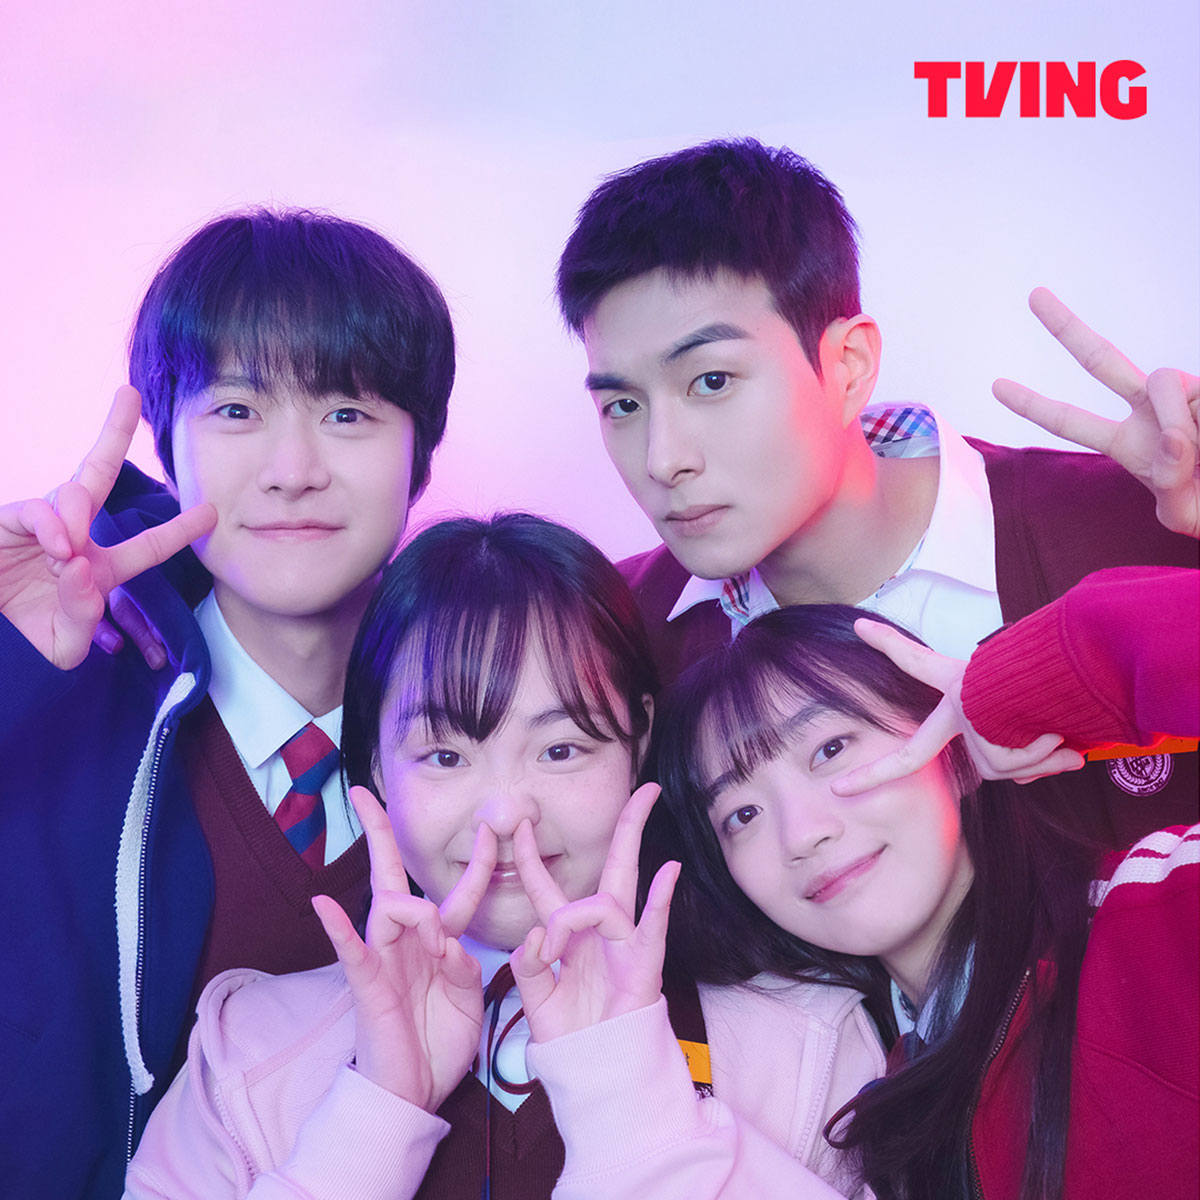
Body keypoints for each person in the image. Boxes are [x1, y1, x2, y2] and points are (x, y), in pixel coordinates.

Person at [125, 514, 883, 1200]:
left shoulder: (808, 1048)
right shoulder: (244, 1056)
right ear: (376, 765)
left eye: (561, 748)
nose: (506, 813)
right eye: (446, 756)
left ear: (638, 738)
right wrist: (374, 1114)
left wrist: (624, 1092)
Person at [555, 136, 1198, 848]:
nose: (663, 459)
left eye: (712, 381)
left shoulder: (1138, 525)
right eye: (622, 405)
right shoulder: (605, 637)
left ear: (849, 366)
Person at [0, 209, 454, 1198]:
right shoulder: (48, 695)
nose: (294, 472)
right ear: (168, 448)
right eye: (239, 411)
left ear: (421, 453)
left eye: (348, 413)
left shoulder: (498, 712)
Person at [650, 569, 1199, 1199]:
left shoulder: (1156, 920)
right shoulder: (862, 1124)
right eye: (742, 814)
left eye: (831, 749)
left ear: (953, 748)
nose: (800, 834)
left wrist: (1038, 677)